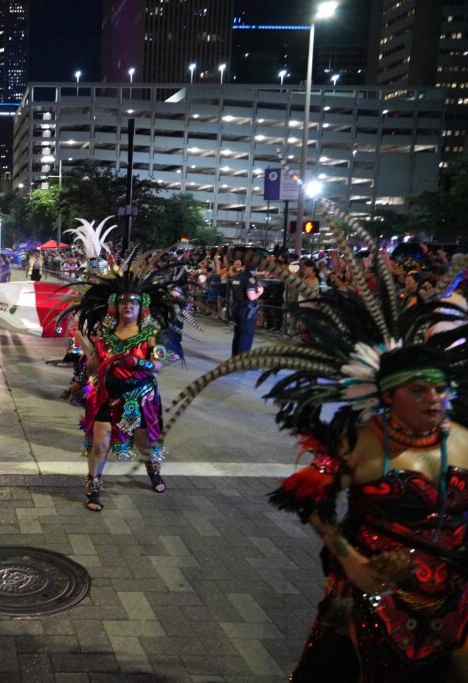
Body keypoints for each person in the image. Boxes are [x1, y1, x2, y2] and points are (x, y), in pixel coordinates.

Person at [162, 223, 468, 682]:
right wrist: (350, 559)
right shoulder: (359, 441)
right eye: (419, 390)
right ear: (389, 396)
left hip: (455, 601)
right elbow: (308, 498)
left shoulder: (463, 439)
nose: (434, 400)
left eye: (441, 389)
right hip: (372, 601)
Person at [61, 252, 185, 510]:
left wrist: (137, 363)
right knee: (100, 444)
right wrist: (78, 383)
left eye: (134, 302)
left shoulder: (153, 335)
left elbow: (158, 366)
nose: (128, 305)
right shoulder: (103, 334)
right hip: (106, 395)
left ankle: (153, 471)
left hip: (140, 397)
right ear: (115, 305)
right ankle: (93, 488)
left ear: (142, 306)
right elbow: (94, 364)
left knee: (145, 443)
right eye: (123, 301)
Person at [229, 260, 263, 356]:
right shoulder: (250, 279)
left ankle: (235, 358)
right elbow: (251, 296)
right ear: (255, 270)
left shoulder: (237, 277)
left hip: (237, 307)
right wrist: (260, 292)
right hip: (247, 310)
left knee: (238, 334)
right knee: (246, 335)